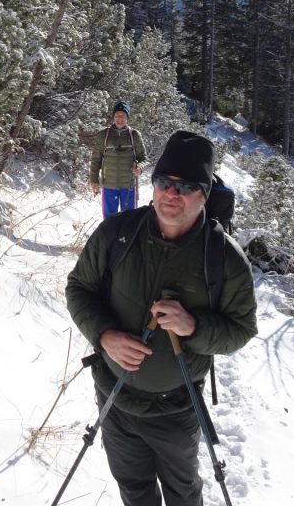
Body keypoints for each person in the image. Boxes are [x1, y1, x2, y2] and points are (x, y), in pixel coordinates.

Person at [67, 130, 258, 506]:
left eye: (185, 186)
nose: (172, 193)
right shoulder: (117, 234)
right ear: (153, 185)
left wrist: (194, 327)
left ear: (203, 195)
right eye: (164, 182)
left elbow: (241, 330)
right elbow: (79, 289)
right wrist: (104, 335)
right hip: (114, 395)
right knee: (133, 489)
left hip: (177, 407)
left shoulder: (225, 258)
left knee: (182, 493)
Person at [90, 100, 145, 218]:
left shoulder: (134, 135)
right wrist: (94, 180)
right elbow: (96, 160)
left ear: (128, 118)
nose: (120, 118)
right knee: (109, 222)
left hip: (129, 186)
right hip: (109, 186)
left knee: (129, 221)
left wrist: (140, 167)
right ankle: (110, 237)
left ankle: (128, 237)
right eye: (117, 115)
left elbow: (143, 158)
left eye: (123, 115)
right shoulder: (103, 135)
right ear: (113, 117)